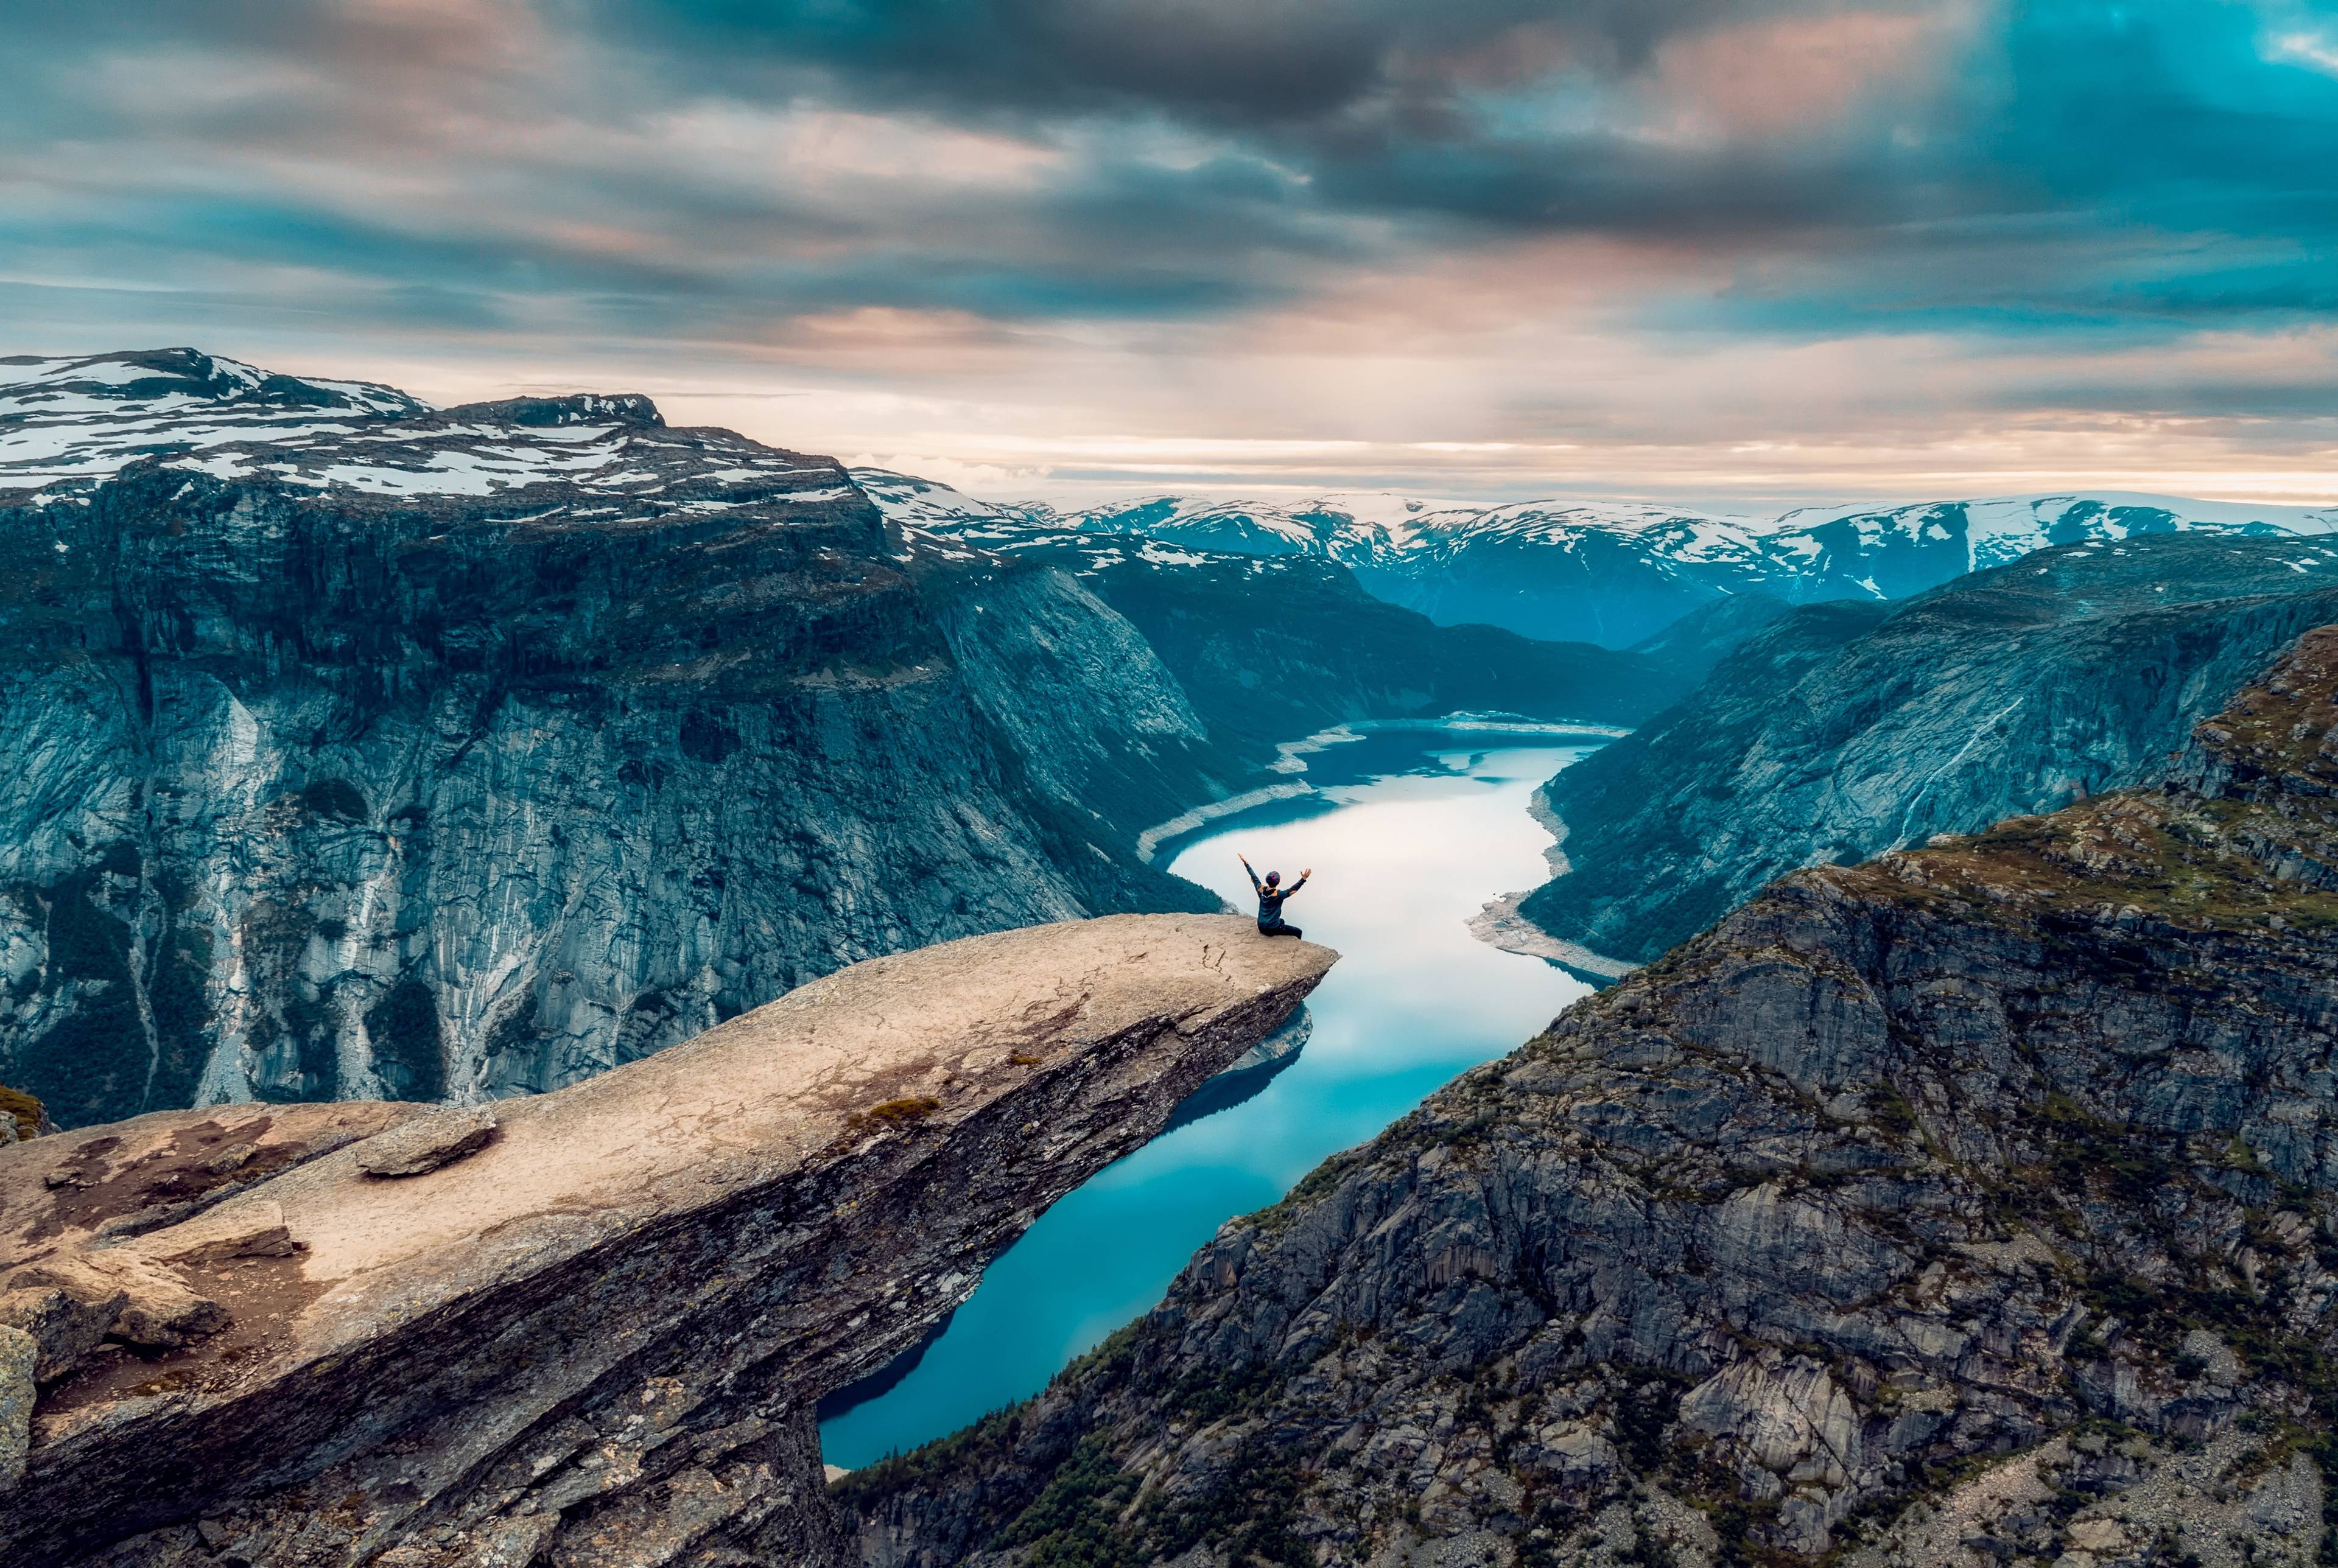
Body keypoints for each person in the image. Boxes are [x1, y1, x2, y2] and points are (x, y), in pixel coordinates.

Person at [1239, 853, 1311, 938]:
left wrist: (1246, 863)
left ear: (1267, 881)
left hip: (1261, 927)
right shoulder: (1279, 895)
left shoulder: (1261, 890)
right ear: (1278, 882)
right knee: (1298, 932)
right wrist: (1303, 879)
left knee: (1282, 921)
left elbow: (1254, 877)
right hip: (1272, 929)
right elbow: (1293, 890)